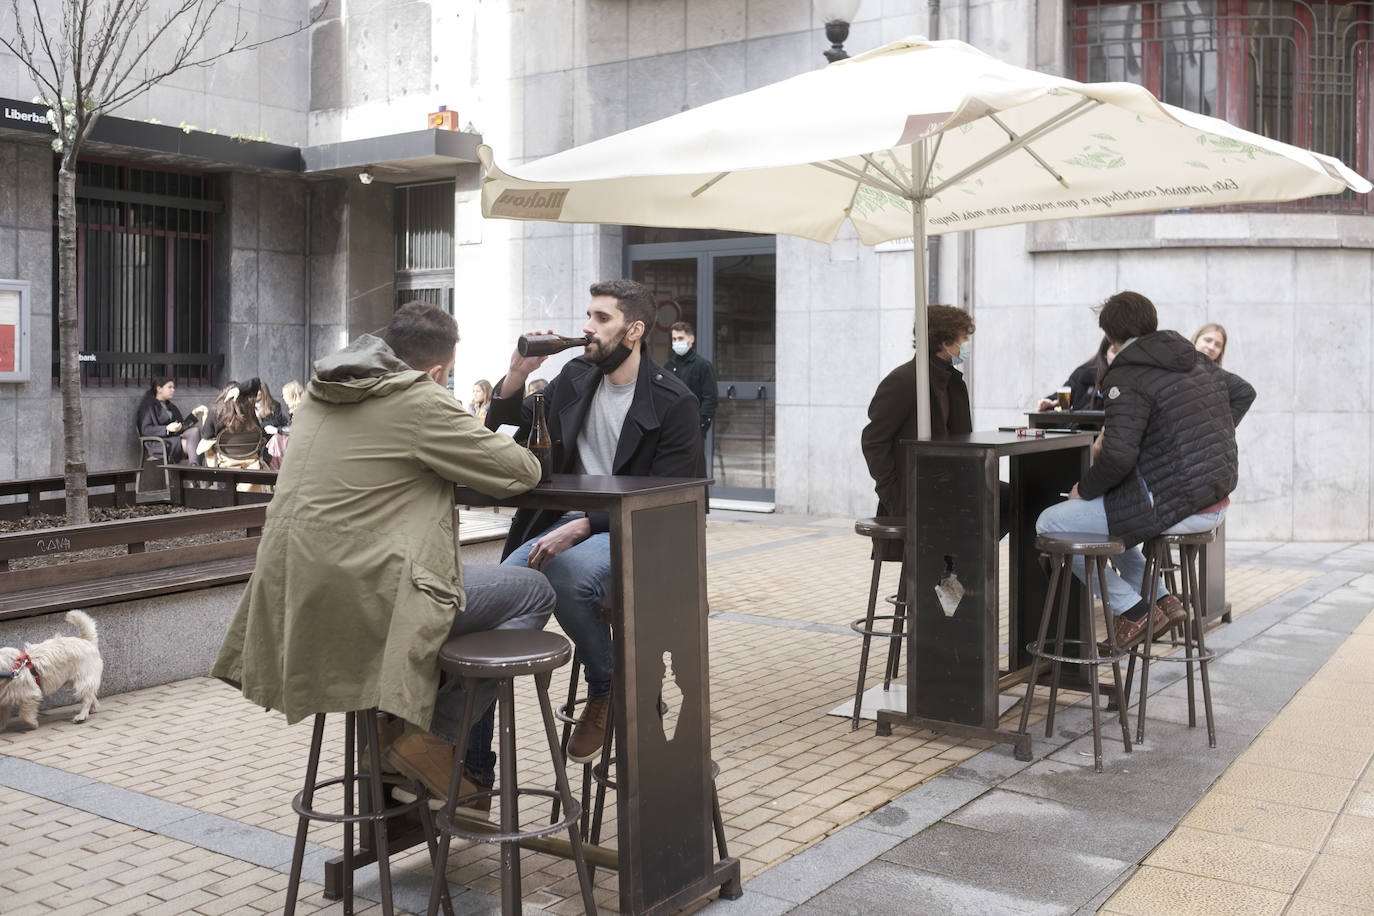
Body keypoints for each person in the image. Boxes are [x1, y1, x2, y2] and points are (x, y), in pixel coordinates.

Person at [212, 301, 556, 813]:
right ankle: (429, 738)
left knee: (462, 594)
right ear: (436, 371)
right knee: (531, 589)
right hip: (369, 600)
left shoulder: (322, 394)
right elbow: (522, 471)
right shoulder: (418, 400)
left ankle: (396, 723)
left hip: (293, 600)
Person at [484, 279, 704, 762]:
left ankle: (605, 687)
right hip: (554, 523)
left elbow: (671, 500)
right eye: (588, 315)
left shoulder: (675, 402)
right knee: (492, 601)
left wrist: (587, 522)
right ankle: (475, 769)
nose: (587, 327)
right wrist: (517, 373)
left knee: (566, 575)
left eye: (602, 318)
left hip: (627, 531)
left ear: (634, 331)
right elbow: (500, 424)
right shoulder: (576, 377)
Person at [1036, 292, 1256, 648]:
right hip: (1214, 498)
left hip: (1178, 502)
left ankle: (1132, 610)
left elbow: (1118, 457)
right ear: (1151, 322)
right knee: (1109, 523)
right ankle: (1161, 598)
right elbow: (1243, 391)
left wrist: (1085, 489)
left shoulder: (1127, 374)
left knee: (1051, 522)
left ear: (1110, 335)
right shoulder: (1196, 360)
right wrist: (1203, 442)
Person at [861, 305, 1009, 558]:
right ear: (945, 342)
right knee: (990, 504)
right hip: (918, 491)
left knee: (1008, 497)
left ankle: (959, 572)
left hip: (950, 483)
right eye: (964, 338)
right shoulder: (905, 380)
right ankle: (949, 580)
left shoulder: (952, 381)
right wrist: (895, 498)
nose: (966, 345)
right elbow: (874, 441)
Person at [1036, 337, 1120, 412]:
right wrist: (1049, 403)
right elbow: (1062, 398)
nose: (1120, 357)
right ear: (1105, 353)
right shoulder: (1085, 374)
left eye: (1123, 352)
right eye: (1115, 352)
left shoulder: (1131, 379)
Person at [135, 376, 202, 465]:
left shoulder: (171, 406)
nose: (173, 390)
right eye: (169, 387)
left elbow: (181, 426)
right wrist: (166, 429)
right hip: (158, 443)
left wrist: (194, 414)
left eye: (173, 387)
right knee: (197, 447)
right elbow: (145, 429)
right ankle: (194, 472)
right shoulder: (148, 406)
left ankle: (194, 468)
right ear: (159, 389)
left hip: (173, 439)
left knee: (195, 432)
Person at [665, 321, 718, 433]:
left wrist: (700, 425)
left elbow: (710, 398)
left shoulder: (703, 366)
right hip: (671, 427)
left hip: (693, 427)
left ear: (691, 339)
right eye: (674, 339)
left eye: (681, 338)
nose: (677, 342)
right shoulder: (668, 366)